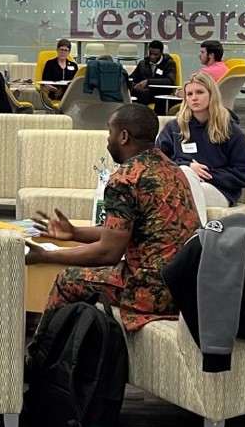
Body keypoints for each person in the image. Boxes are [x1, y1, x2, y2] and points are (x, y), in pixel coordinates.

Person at [25, 104, 201, 345]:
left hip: (151, 290)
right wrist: (74, 233)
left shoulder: (125, 179)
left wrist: (46, 256)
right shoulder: (170, 169)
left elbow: (108, 253)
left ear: (123, 136)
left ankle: (40, 356)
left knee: (68, 280)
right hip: (184, 283)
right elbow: (122, 231)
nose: (108, 140)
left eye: (110, 132)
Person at [157, 72, 245, 208]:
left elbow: (244, 173)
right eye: (189, 94)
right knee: (185, 174)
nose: (194, 98)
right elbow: (158, 161)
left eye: (200, 92)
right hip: (181, 183)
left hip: (218, 190)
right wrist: (187, 166)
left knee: (188, 191)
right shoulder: (174, 127)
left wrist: (207, 174)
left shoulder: (229, 129)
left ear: (211, 94)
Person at [131, 40, 176, 111]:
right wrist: (135, 85)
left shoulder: (169, 63)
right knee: (129, 92)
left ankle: (141, 114)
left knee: (143, 94)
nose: (152, 56)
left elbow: (170, 81)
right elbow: (132, 78)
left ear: (161, 53)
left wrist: (148, 81)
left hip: (160, 92)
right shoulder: (143, 64)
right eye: (150, 53)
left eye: (155, 54)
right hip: (144, 91)